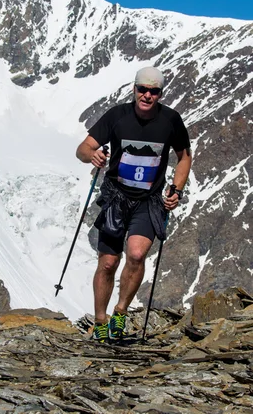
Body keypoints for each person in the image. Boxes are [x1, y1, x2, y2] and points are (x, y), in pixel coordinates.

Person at [76, 66, 191, 343]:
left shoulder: (171, 120)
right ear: (134, 89)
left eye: (154, 92)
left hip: (148, 200)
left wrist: (176, 189)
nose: (147, 96)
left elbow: (184, 156)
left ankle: (120, 311)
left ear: (160, 94)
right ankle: (100, 320)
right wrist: (92, 155)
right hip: (116, 197)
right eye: (143, 90)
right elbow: (82, 148)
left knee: (137, 255)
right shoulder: (117, 116)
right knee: (108, 263)